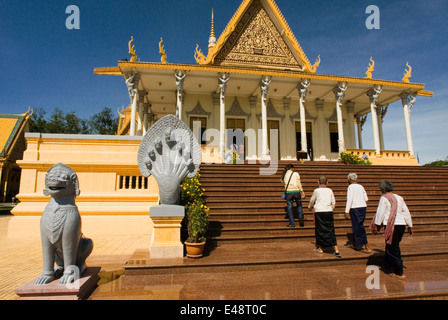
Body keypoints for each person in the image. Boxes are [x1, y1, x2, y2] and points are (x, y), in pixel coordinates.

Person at [371, 180, 413, 279]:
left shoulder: (384, 198)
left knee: (393, 248)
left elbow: (380, 212)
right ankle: (388, 266)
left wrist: (377, 225)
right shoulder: (399, 197)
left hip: (391, 225)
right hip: (401, 224)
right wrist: (410, 225)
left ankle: (399, 271)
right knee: (390, 246)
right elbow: (405, 212)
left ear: (383, 189)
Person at [308, 176, 341, 258]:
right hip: (328, 211)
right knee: (330, 229)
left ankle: (319, 247)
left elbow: (312, 200)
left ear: (318, 182)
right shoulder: (330, 190)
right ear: (327, 182)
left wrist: (309, 207)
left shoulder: (316, 191)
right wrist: (330, 208)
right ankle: (336, 249)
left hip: (319, 211)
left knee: (319, 229)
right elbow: (333, 201)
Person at [345, 173, 371, 252]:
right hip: (362, 207)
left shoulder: (350, 187)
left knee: (357, 226)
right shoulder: (361, 186)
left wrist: (347, 211)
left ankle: (365, 244)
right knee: (359, 225)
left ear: (350, 180)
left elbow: (350, 199)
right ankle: (356, 243)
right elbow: (366, 198)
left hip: (355, 207)